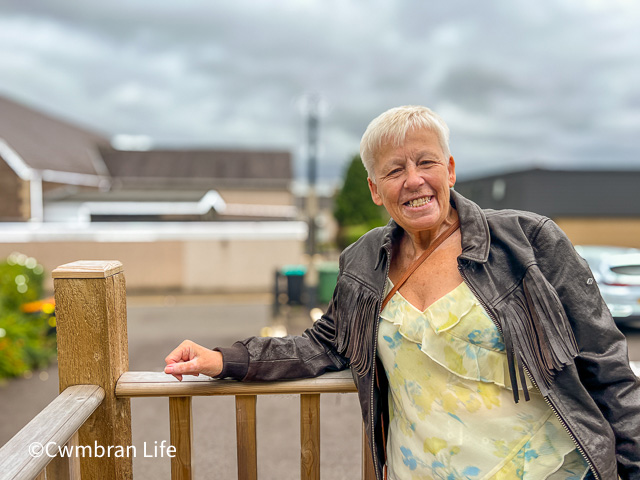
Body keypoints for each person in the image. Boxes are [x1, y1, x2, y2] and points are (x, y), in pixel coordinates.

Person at [165, 106, 640, 480]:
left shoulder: (529, 241)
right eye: (394, 170)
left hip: (546, 471)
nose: (413, 179)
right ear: (375, 189)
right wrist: (224, 360)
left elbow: (608, 369)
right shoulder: (363, 261)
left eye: (426, 162)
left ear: (450, 169)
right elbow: (322, 343)